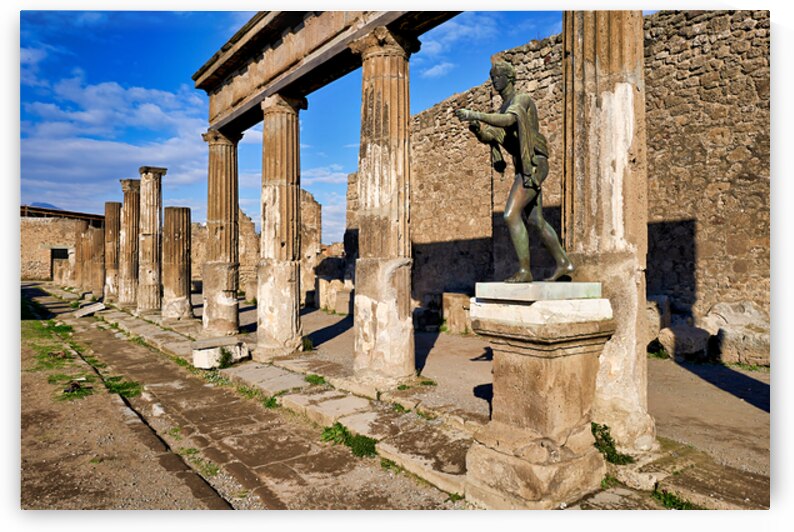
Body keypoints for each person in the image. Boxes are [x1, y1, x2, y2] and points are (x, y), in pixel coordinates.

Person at [455, 60, 574, 283]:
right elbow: (495, 136)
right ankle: (564, 262)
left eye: (497, 76)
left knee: (510, 215)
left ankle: (524, 271)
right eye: (492, 77)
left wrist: (476, 114)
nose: (493, 81)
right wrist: (477, 130)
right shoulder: (502, 107)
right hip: (525, 165)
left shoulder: (521, 100)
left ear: (509, 78)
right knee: (536, 221)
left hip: (534, 163)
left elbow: (509, 120)